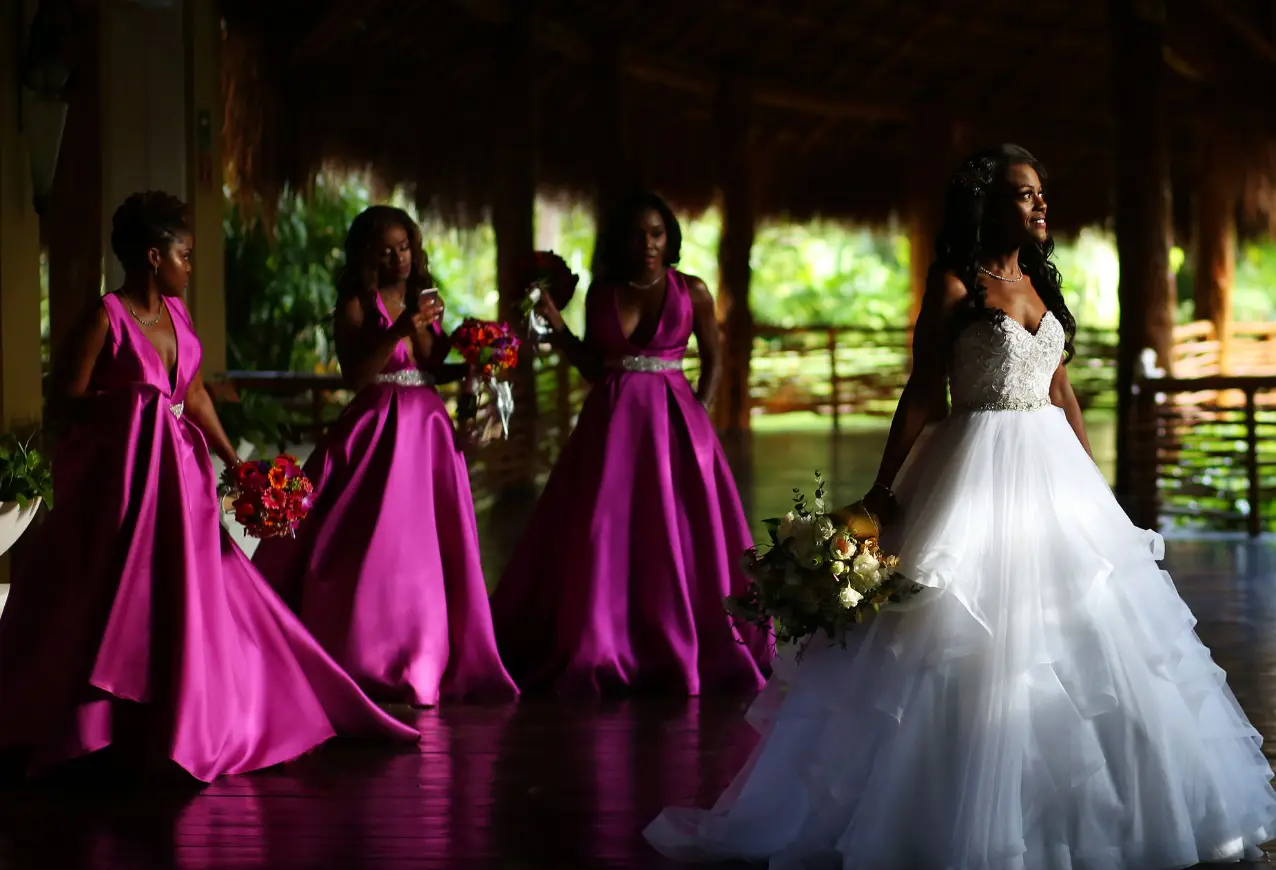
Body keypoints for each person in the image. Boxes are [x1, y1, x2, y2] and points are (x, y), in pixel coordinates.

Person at [644, 145, 1276, 868]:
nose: (1040, 204)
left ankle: (1128, 820)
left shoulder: (1039, 283)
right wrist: (883, 496)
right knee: (959, 646)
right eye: (1022, 193)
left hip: (1057, 478)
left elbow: (1062, 393)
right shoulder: (954, 287)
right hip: (974, 469)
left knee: (1101, 646)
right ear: (986, 202)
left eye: (1041, 193)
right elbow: (921, 393)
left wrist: (1100, 498)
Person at [0, 192, 418, 783]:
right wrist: (134, 403)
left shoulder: (179, 314)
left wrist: (235, 462)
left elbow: (191, 394)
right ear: (153, 256)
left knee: (200, 592)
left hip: (182, 481)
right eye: (185, 255)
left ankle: (213, 717)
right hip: (124, 488)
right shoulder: (105, 317)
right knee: (119, 600)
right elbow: (63, 400)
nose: (191, 266)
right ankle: (106, 732)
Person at [491, 191, 771, 696]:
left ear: (670, 239)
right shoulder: (602, 293)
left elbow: (714, 357)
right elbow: (595, 369)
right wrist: (558, 329)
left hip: (676, 425)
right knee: (604, 530)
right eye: (638, 234)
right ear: (622, 240)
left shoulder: (694, 291)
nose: (648, 243)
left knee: (679, 532)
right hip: (611, 426)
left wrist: (699, 413)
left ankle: (684, 637)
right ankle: (605, 639)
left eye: (657, 233)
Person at [253, 205, 517, 707]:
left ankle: (431, 651)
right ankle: (362, 652)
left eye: (405, 247)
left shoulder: (425, 298)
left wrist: (476, 361)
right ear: (368, 256)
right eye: (386, 250)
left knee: (429, 550)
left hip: (429, 432)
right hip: (380, 428)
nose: (398, 257)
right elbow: (356, 376)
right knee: (378, 544)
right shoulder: (356, 304)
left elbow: (430, 367)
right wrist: (399, 329)